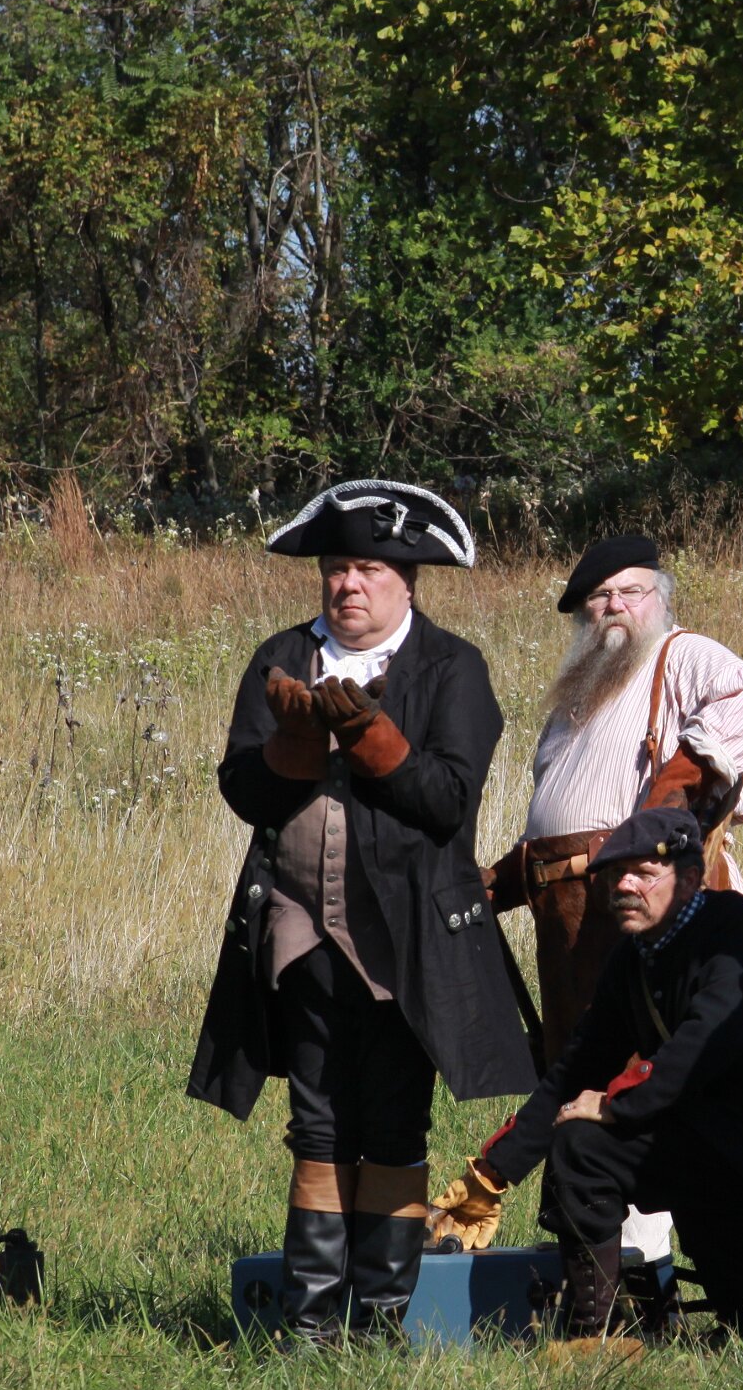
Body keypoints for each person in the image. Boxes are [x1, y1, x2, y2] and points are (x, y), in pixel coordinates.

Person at [186, 479, 536, 1342]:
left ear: (406, 582)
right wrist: (294, 748)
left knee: (393, 1121)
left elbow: (446, 802)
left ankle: (379, 1321)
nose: (349, 584)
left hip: (409, 937)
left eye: (370, 570)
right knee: (317, 1122)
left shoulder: (450, 667)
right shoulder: (281, 655)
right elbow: (242, 791)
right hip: (297, 928)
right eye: (338, 568)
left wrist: (373, 742)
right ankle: (310, 1325)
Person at [429, 807, 743, 1349]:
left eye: (643, 874)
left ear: (690, 878)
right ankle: (591, 1337)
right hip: (688, 1145)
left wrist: (613, 1103)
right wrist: (492, 1172)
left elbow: (705, 1045)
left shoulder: (735, 931)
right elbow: (577, 1067)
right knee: (581, 1146)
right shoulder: (636, 955)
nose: (624, 886)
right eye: (616, 874)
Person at [483, 533, 743, 1263]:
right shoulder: (576, 696)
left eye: (631, 591)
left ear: (660, 599)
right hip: (566, 922)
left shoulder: (682, 656)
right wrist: (500, 881)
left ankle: (642, 1272)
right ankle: (589, 1261)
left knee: (633, 1078)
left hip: (644, 904)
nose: (615, 605)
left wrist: (677, 785)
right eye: (600, 596)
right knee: (577, 1077)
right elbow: (557, 819)